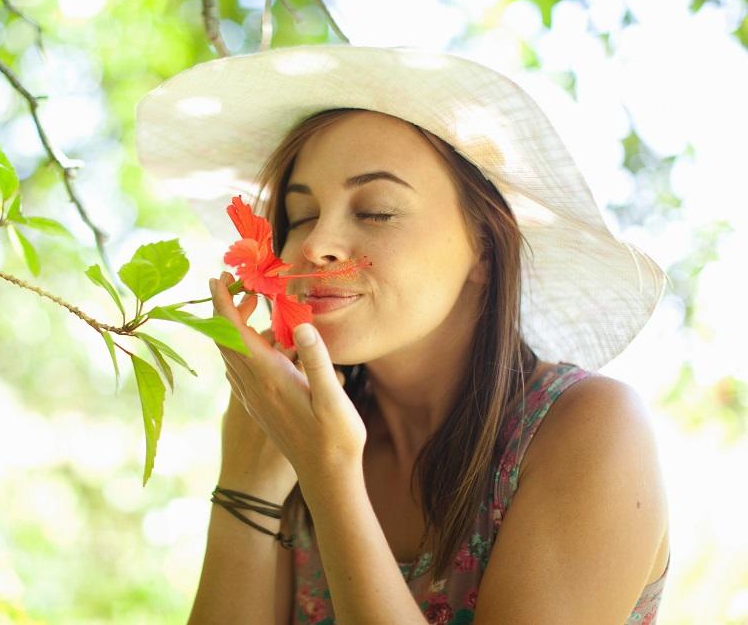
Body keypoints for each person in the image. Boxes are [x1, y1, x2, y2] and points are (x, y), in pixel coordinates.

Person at [135, 45, 671, 624]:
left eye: (377, 211)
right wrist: (247, 483)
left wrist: (327, 471)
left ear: (485, 250)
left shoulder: (589, 428)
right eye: (302, 215)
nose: (315, 245)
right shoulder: (292, 427)